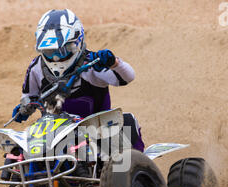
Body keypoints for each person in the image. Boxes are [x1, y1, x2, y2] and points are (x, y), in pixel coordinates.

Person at [12, 9, 144, 152]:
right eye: (50, 52)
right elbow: (29, 96)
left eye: (62, 51)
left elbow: (128, 77)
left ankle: (136, 169)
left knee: (127, 122)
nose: (56, 58)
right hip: (52, 132)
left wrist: (114, 63)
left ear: (76, 43)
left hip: (97, 131)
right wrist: (24, 108)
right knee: (19, 147)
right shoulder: (36, 67)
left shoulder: (93, 62)